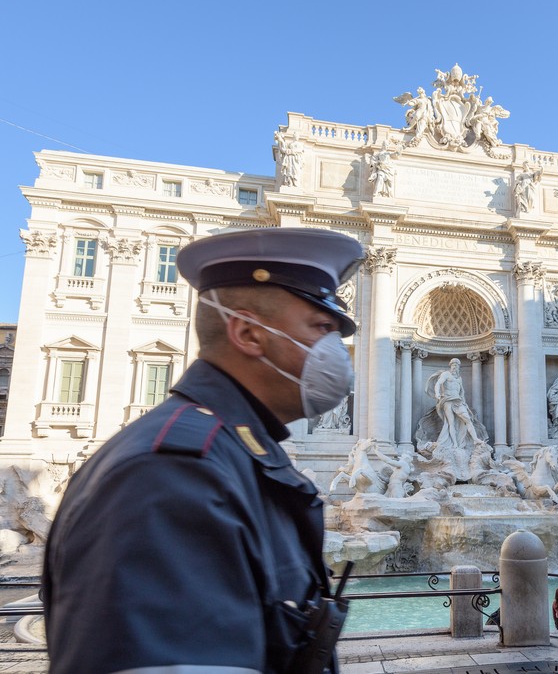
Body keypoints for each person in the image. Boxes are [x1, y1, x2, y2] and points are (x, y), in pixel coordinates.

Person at [42, 227, 364, 673]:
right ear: (249, 333)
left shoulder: (236, 455)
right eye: (321, 328)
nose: (337, 350)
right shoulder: (172, 474)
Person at [433, 358, 485, 452]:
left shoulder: (459, 379)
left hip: (458, 401)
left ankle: (475, 439)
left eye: (456, 365)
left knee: (468, 419)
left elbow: (462, 392)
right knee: (451, 423)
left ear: (458, 367)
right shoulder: (446, 374)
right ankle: (455, 444)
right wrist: (437, 393)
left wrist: (464, 404)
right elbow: (438, 383)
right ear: (450, 365)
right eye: (453, 365)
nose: (454, 366)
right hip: (448, 400)